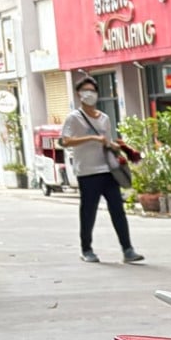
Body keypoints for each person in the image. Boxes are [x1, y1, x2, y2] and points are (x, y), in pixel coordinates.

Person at [59, 76, 143, 264]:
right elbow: (64, 141)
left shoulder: (104, 118)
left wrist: (117, 147)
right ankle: (86, 249)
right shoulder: (74, 118)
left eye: (92, 90)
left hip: (108, 170)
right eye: (85, 90)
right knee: (88, 212)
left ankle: (128, 249)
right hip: (87, 172)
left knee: (117, 209)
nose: (89, 94)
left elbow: (107, 141)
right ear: (79, 94)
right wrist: (91, 138)